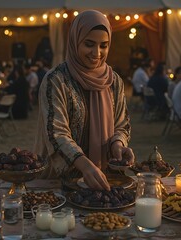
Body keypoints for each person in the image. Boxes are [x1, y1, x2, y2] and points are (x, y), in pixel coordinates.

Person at [34, 10, 134, 191]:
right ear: (75, 42)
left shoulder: (113, 81)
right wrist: (85, 165)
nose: (97, 53)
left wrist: (118, 144)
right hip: (61, 180)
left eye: (104, 45)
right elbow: (56, 133)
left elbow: (121, 124)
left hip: (104, 178)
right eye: (89, 44)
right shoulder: (56, 80)